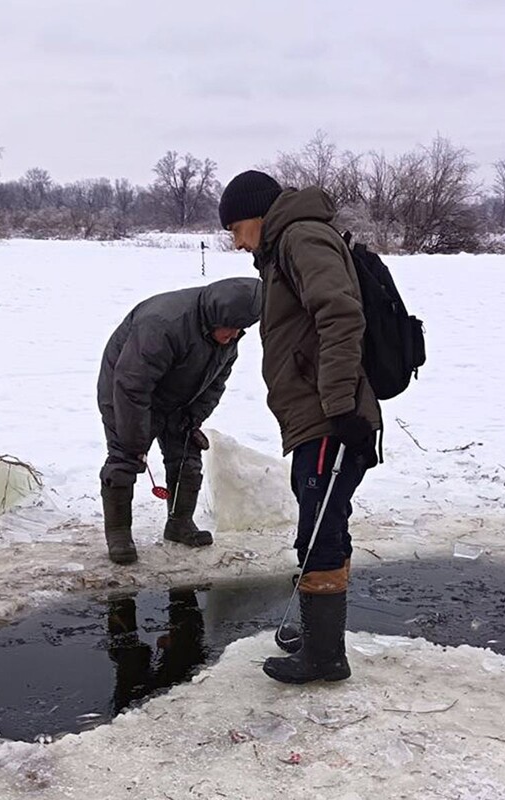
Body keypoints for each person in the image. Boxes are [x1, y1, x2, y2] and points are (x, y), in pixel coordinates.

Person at [217, 170, 381, 684]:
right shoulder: (285, 246)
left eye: (237, 228)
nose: (236, 241)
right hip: (317, 414)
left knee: (321, 528)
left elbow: (340, 315)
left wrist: (338, 406)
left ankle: (326, 656)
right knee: (319, 523)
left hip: (330, 415)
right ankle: (317, 635)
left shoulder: (300, 237)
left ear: (257, 215)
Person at [97, 277, 261, 565]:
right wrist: (136, 441)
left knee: (187, 453)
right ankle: (119, 533)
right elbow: (132, 384)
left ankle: (179, 523)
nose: (235, 335)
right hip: (124, 390)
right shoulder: (162, 324)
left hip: (176, 394)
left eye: (240, 329)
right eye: (231, 328)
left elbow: (214, 384)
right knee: (125, 458)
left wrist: (191, 419)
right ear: (215, 318)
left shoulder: (226, 338)